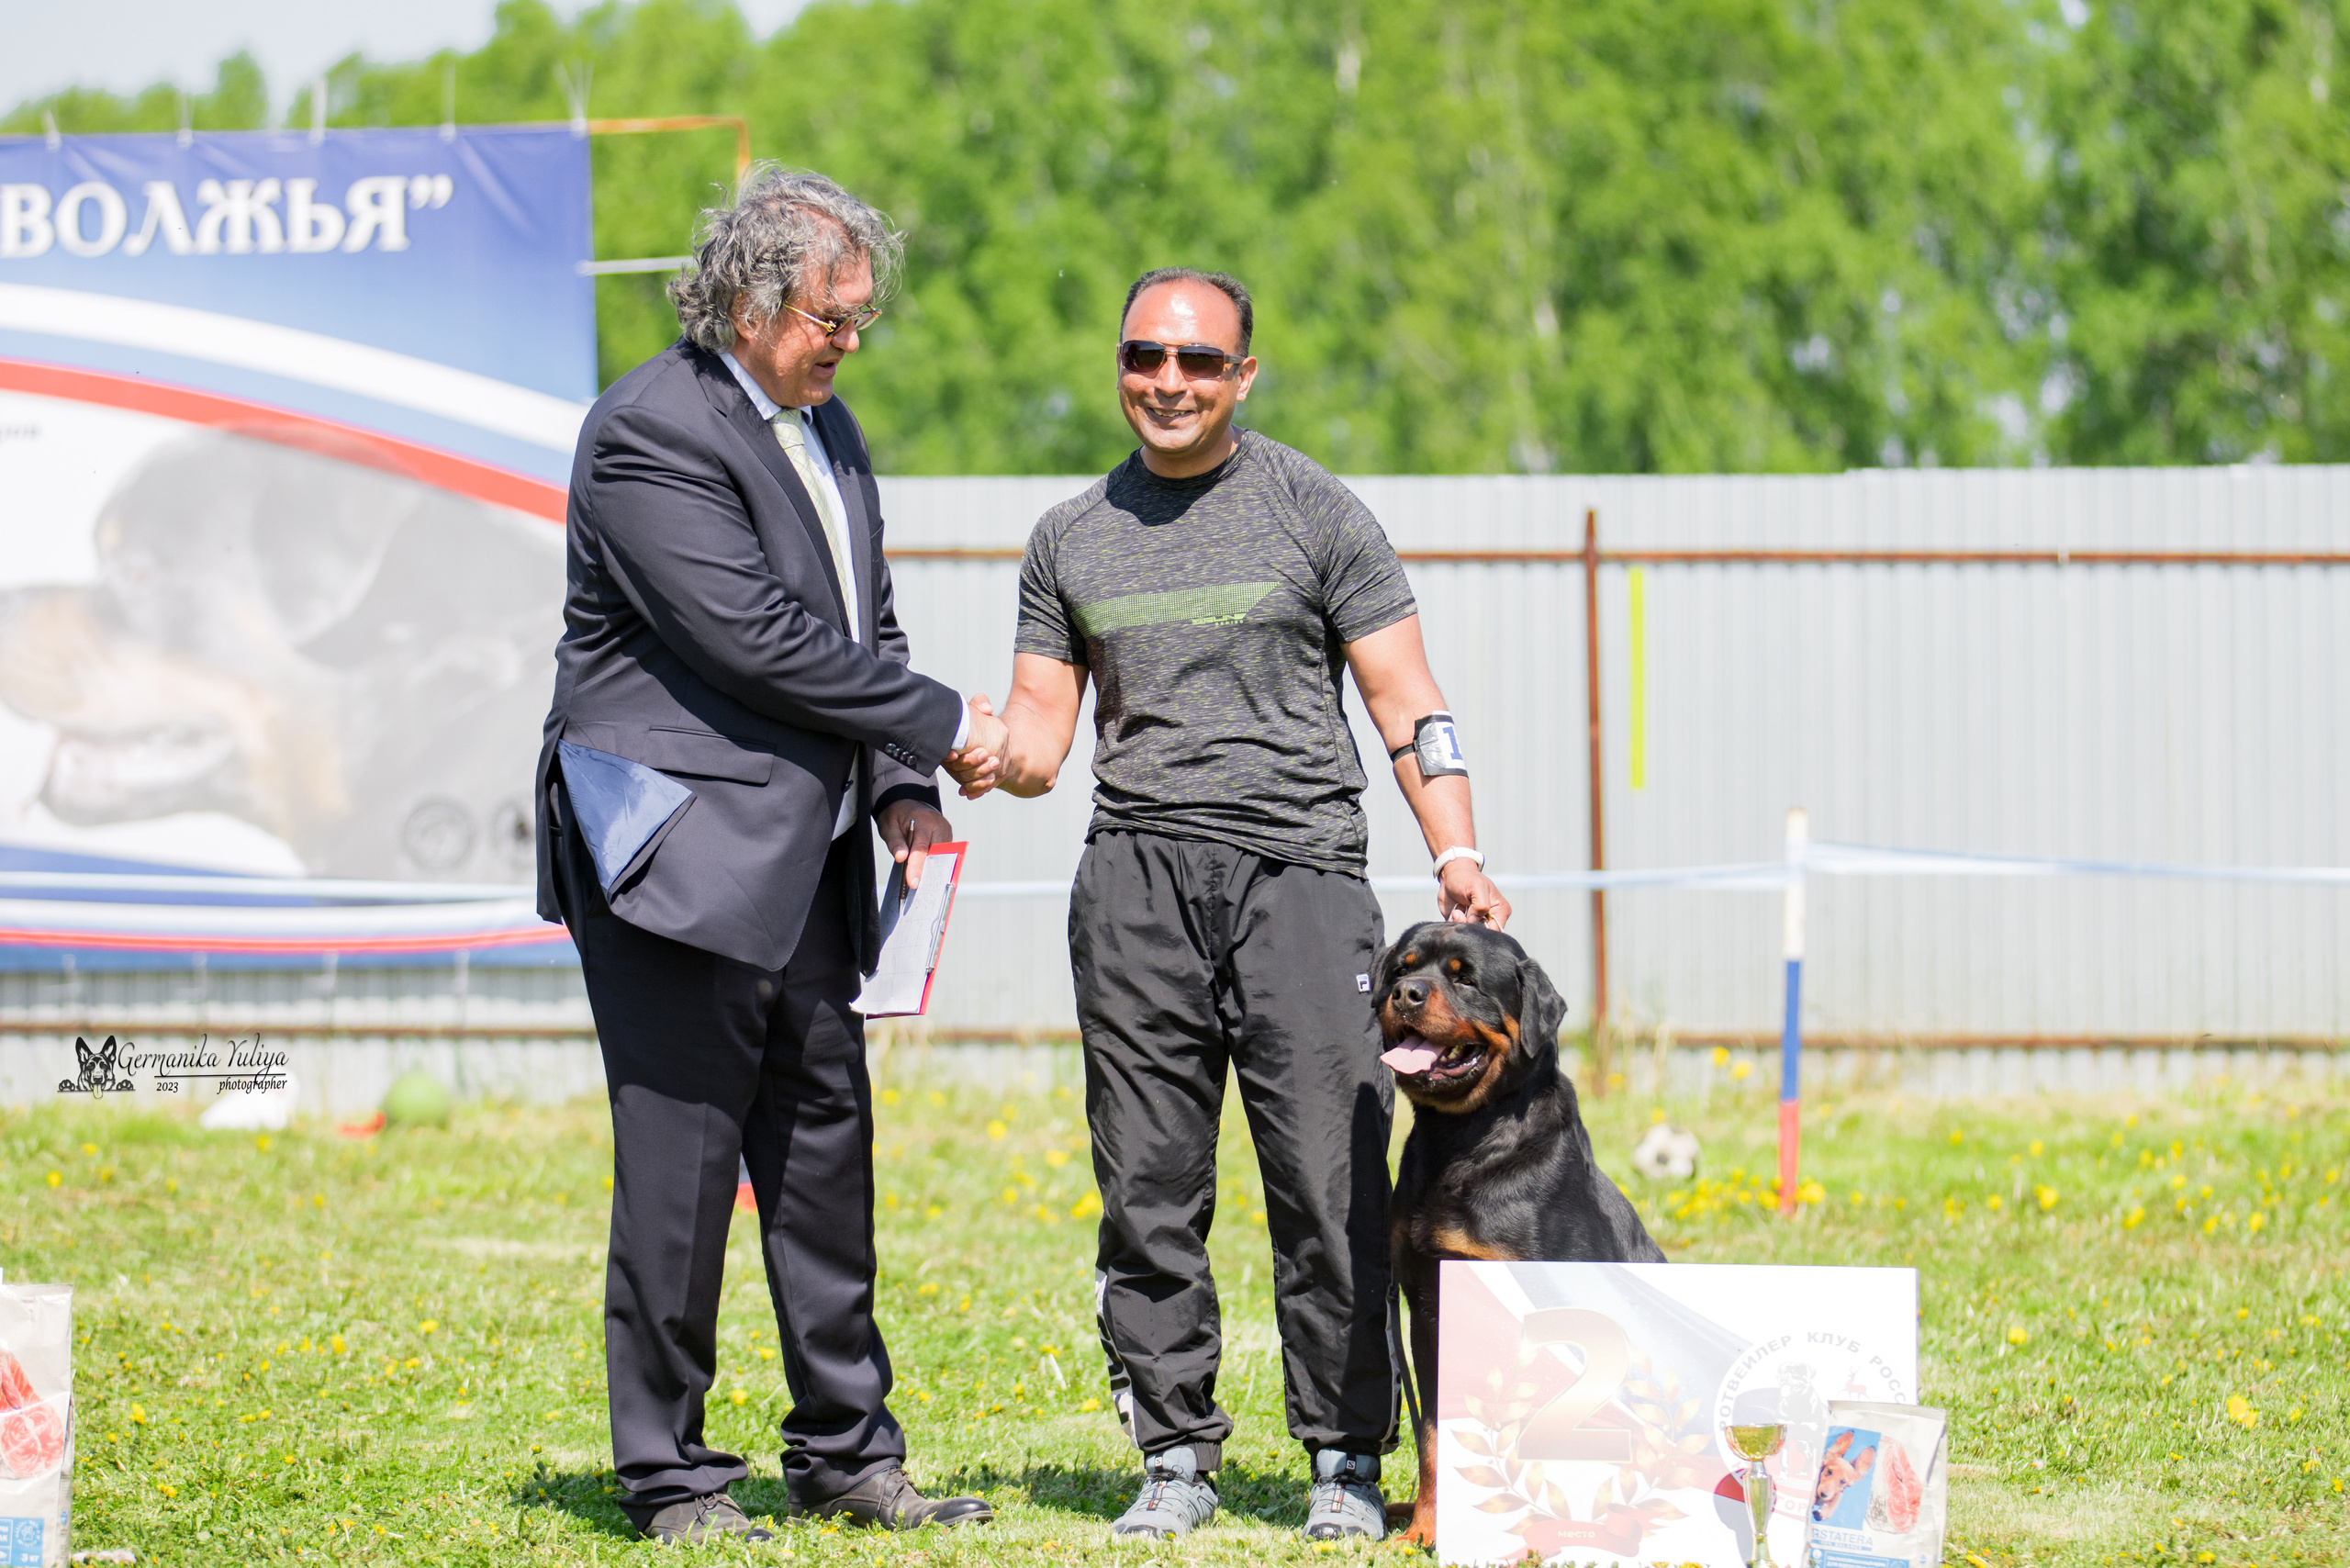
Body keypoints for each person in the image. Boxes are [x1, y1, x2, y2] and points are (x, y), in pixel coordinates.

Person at [962, 267, 1511, 1541]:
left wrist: (1458, 847)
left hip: (1303, 883)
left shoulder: (1315, 511)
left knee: (1330, 1180)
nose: (1170, 382)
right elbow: (1045, 740)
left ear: (1243, 377)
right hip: (1136, 882)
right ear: (1120, 366)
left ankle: (1342, 1461)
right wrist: (985, 748)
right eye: (1146, 356)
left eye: (1200, 362)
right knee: (1147, 1185)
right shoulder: (1070, 535)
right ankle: (1174, 1456)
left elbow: (1405, 700)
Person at [532, 166, 1006, 1546]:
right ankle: (669, 1475)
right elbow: (752, 639)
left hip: (813, 855)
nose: (851, 338)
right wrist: (955, 724)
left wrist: (907, 780)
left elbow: (869, 623)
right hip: (678, 855)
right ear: (748, 301)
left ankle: (850, 1456)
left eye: (863, 315)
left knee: (822, 1159)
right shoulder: (646, 433)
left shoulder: (827, 424)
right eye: (831, 314)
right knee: (679, 1177)